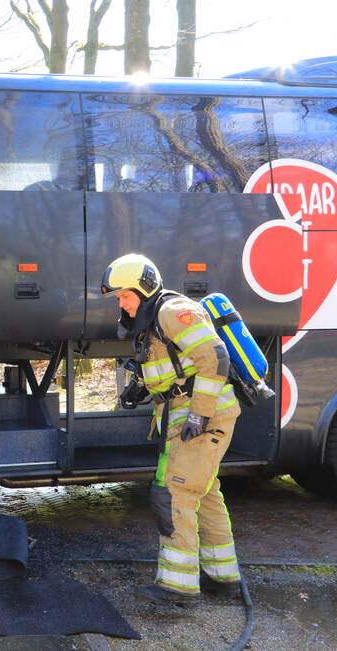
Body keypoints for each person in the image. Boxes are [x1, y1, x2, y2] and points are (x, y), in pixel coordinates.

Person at [101, 253, 242, 605]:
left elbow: (215, 359)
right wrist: (142, 386)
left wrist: (199, 415)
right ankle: (223, 577)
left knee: (175, 494)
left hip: (201, 414)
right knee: (203, 492)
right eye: (118, 297)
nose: (122, 303)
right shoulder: (153, 321)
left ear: (143, 289)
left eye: (125, 296)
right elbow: (175, 366)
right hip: (180, 412)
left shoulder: (172, 312)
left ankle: (179, 588)